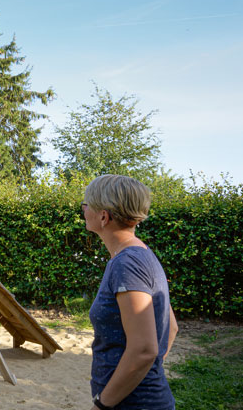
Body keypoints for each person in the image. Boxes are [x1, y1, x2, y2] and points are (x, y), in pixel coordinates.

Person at [83, 175, 178, 410]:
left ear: (104, 216)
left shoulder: (127, 264)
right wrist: (147, 373)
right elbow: (171, 327)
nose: (83, 211)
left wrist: (102, 405)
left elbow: (145, 350)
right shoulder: (142, 254)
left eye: (85, 206)